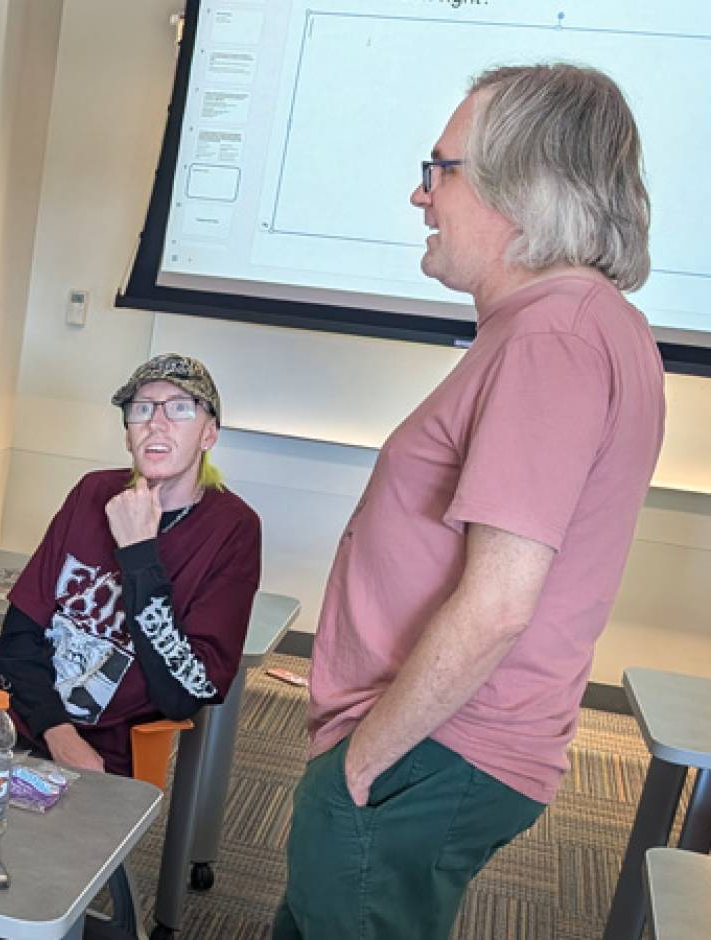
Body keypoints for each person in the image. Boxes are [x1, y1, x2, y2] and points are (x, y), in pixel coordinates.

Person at [274, 64, 664, 940]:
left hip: (431, 744)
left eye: (437, 168)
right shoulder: (580, 324)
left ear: (519, 188)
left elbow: (497, 605)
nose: (420, 196)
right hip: (436, 741)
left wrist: (360, 765)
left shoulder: (554, 339)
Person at [0, 353, 262, 776]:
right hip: (16, 722)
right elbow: (18, 638)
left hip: (106, 760)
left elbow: (185, 693)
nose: (157, 422)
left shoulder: (233, 528)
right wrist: (58, 734)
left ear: (209, 435)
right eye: (142, 409)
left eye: (180, 408)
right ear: (127, 436)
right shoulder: (92, 492)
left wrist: (139, 556)